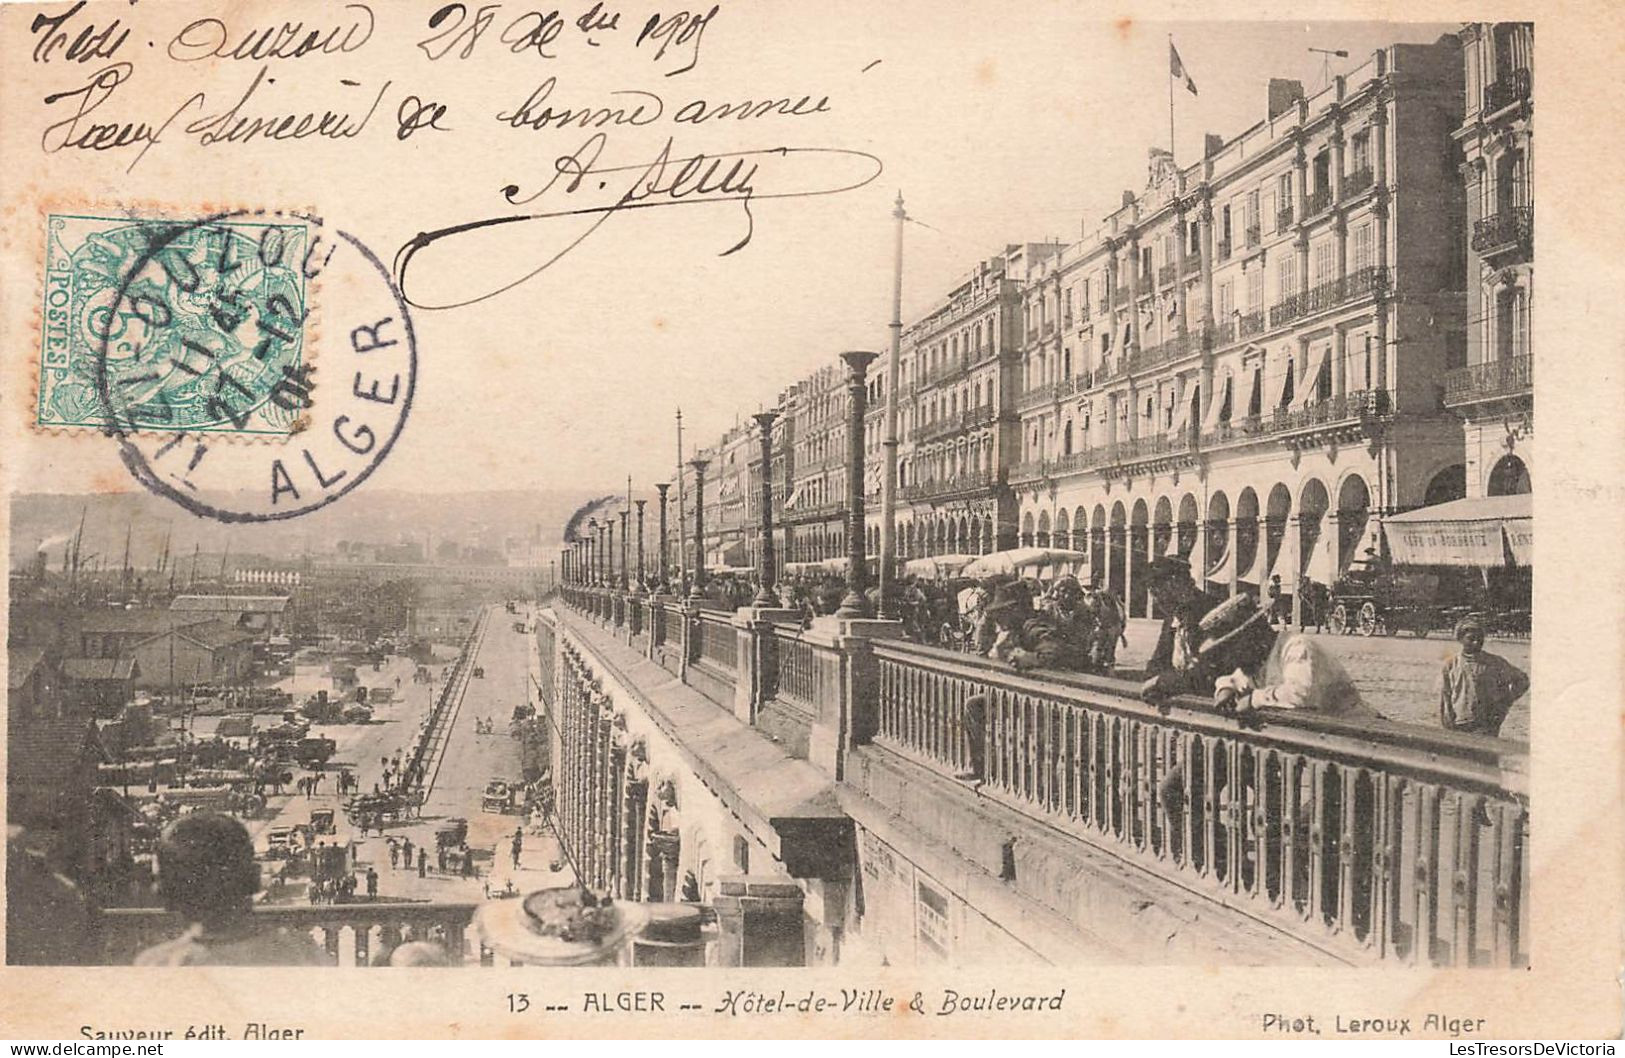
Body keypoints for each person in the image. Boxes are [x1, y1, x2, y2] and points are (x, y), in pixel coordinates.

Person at [134, 814, 327, 966]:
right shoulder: (302, 954)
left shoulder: (158, 964)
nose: (156, 889)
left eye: (161, 879)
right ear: (250, 876)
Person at [1142, 556, 1229, 692]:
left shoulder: (1213, 613)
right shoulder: (1172, 619)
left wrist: (1166, 682)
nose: (1156, 602)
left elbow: (1210, 671)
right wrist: (1152, 679)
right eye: (1153, 594)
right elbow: (1158, 660)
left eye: (1159, 592)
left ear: (1177, 584)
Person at [1438, 616, 1529, 737]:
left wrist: (1505, 701)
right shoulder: (1451, 664)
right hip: (1459, 722)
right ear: (1460, 639)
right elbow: (1446, 695)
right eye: (1471, 639)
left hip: (1487, 722)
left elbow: (1522, 680)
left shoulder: (1495, 662)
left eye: (1480, 639)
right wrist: (1448, 721)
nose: (1476, 642)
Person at [983, 581, 1089, 672]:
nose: (998, 619)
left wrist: (1031, 658)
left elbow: (1054, 652)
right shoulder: (1018, 629)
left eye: (1002, 613)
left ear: (1015, 610)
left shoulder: (1033, 627)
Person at [1079, 572, 1127, 673]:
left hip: (1111, 626)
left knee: (1107, 649)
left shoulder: (1102, 597)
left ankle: (1104, 667)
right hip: (1108, 626)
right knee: (1102, 648)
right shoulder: (1094, 597)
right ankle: (1101, 665)